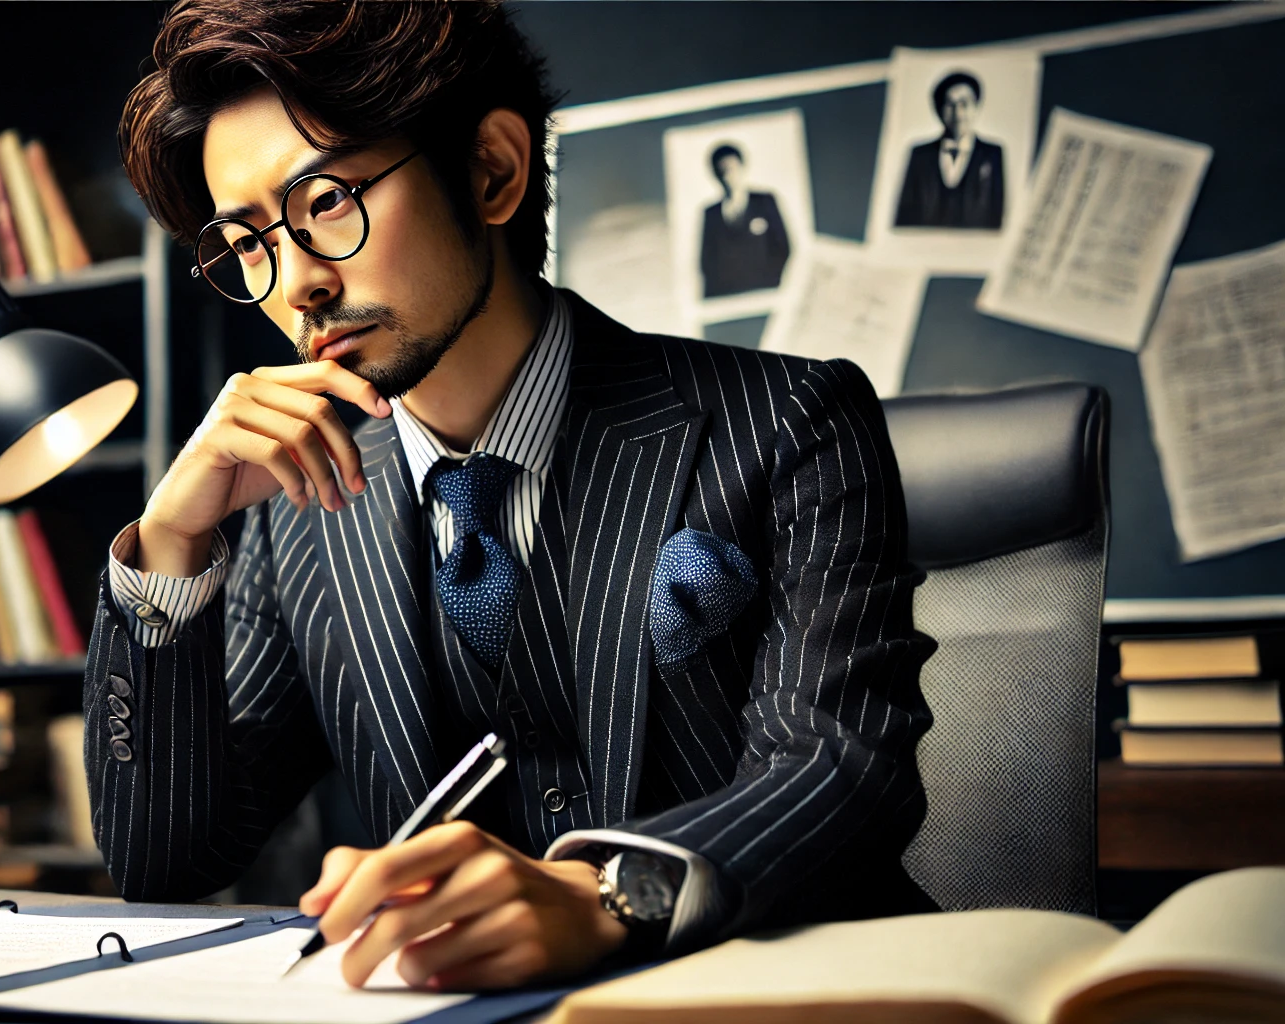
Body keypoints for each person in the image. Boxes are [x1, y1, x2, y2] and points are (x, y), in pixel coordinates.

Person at [89, 0, 937, 992]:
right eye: (246, 242)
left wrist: (605, 895)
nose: (298, 285)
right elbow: (166, 859)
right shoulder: (293, 503)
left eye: (325, 201)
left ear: (492, 169)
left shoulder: (791, 418)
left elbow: (838, 767)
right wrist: (168, 551)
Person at [894, 70, 1004, 229]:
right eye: (950, 104)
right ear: (939, 109)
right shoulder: (920, 155)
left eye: (964, 104)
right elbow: (904, 213)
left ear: (976, 107)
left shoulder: (993, 154)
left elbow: (997, 212)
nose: (957, 113)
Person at [699, 143, 791, 297]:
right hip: (729, 296)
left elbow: (783, 247)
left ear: (742, 167)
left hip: (767, 291)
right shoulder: (711, 214)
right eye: (722, 170)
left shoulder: (765, 202)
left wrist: (774, 286)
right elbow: (707, 262)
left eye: (732, 168)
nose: (728, 176)